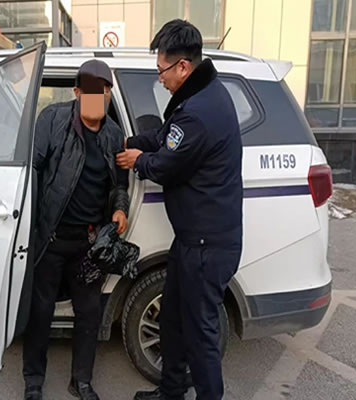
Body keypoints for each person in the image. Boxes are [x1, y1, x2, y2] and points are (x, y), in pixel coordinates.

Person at [116, 19, 243, 400]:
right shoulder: (198, 96)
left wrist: (137, 160)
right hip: (192, 240)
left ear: (183, 66)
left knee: (201, 335)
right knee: (172, 320)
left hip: (207, 246)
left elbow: (166, 164)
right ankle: (170, 392)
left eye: (162, 71)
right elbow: (165, 136)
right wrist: (131, 140)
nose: (160, 79)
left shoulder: (200, 112)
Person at [23, 59, 130, 400]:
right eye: (93, 90)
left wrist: (120, 208)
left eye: (106, 90)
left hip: (89, 243)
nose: (100, 97)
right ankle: (33, 381)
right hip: (51, 239)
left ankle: (81, 380)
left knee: (89, 314)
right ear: (78, 92)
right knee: (40, 312)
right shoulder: (52, 120)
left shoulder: (114, 135)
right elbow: (31, 172)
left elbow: (120, 184)